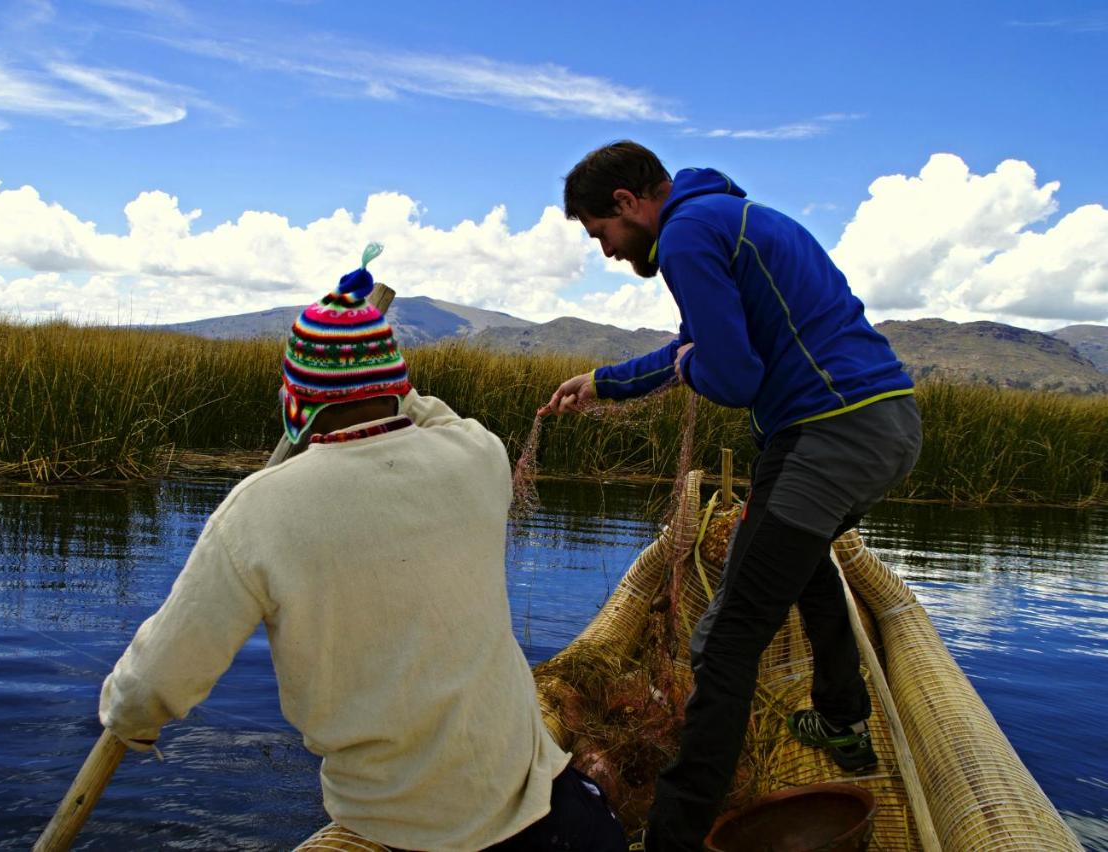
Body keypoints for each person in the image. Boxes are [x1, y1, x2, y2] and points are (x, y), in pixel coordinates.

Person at [100, 245, 627, 851]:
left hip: (403, 830)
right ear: (398, 386)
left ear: (295, 400)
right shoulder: (480, 457)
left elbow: (154, 683)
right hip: (556, 815)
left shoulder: (258, 512)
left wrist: (128, 718)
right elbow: (430, 416)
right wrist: (375, 359)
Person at [543, 142, 922, 851]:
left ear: (627, 204)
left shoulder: (686, 234)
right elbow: (697, 345)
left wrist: (693, 367)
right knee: (805, 565)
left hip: (829, 433)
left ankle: (674, 839)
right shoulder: (728, 218)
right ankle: (842, 718)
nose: (609, 253)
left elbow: (734, 375)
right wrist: (602, 382)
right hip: (885, 423)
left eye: (603, 235)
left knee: (724, 639)